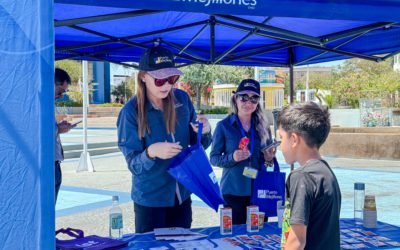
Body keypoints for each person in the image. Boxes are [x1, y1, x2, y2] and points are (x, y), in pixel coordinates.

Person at [117, 46, 212, 233]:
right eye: (160, 80)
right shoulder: (130, 112)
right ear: (143, 76)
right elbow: (134, 165)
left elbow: (199, 145)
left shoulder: (182, 100)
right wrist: (151, 152)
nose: (168, 86)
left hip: (182, 195)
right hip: (151, 199)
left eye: (172, 79)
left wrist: (205, 131)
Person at [210, 79, 276, 225]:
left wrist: (269, 159)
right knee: (233, 238)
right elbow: (213, 158)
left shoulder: (263, 127)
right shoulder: (224, 126)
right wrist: (232, 157)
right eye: (244, 97)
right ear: (235, 98)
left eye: (254, 98)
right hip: (233, 191)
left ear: (258, 102)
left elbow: (268, 162)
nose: (248, 102)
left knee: (258, 235)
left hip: (259, 190)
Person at [278, 102, 341, 250]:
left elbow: (297, 241)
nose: (280, 146)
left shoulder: (301, 177)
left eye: (281, 138)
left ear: (294, 139)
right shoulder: (326, 172)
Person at [54, 68, 75, 203]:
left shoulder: (48, 105)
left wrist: (58, 128)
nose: (61, 96)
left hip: (55, 165)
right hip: (47, 166)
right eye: (60, 91)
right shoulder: (35, 105)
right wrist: (58, 129)